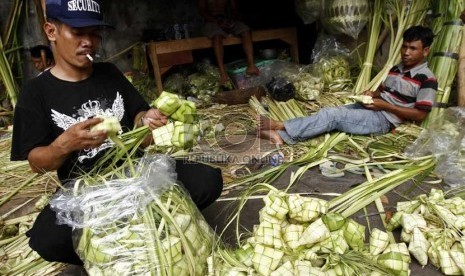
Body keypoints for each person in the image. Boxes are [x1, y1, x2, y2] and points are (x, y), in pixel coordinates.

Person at [10, 0, 223, 265]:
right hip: (88, 191)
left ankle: (134, 232)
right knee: (46, 239)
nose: (88, 41)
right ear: (51, 31)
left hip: (139, 173)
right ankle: (124, 243)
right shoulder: (35, 93)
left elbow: (138, 115)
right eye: (77, 33)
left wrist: (149, 118)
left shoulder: (109, 73)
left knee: (208, 180)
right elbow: (37, 163)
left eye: (94, 33)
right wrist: (64, 145)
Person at [258, 25, 437, 145]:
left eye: (413, 48)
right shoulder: (397, 68)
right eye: (404, 47)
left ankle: (281, 126)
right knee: (328, 113)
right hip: (374, 108)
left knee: (333, 115)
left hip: (384, 120)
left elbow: (420, 115)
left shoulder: (427, 79)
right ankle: (281, 136)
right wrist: (372, 94)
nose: (406, 52)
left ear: (426, 51)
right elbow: (384, 91)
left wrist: (384, 105)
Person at [198, 0, 259, 86]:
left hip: (226, 20)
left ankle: (251, 65)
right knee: (217, 35)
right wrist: (216, 21)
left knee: (245, 30)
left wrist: (231, 20)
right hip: (211, 21)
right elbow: (202, 10)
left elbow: (234, 9)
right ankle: (223, 72)